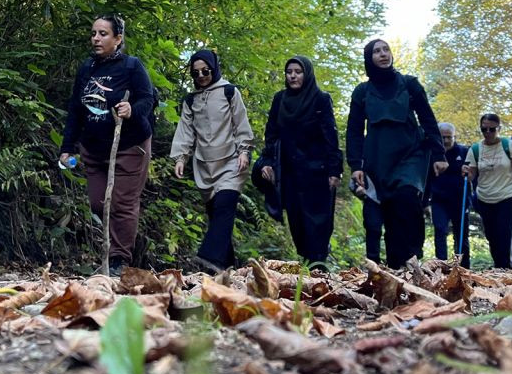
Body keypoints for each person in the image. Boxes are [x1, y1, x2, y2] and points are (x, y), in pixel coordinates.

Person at [59, 14, 155, 275]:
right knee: (99, 203)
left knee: (122, 203)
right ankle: (115, 252)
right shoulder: (87, 68)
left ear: (118, 39)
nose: (96, 38)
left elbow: (148, 99)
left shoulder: (131, 67)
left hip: (129, 146)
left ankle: (118, 262)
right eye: (94, 33)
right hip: (94, 148)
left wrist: (131, 109)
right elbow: (76, 111)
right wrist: (67, 147)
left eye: (103, 34)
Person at [345, 38, 446, 269]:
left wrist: (439, 154)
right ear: (369, 58)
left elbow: (428, 119)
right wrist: (356, 165)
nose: (383, 54)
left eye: (386, 50)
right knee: (389, 210)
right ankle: (396, 267)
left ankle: (413, 253)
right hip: (378, 158)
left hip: (411, 153)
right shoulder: (362, 92)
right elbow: (354, 131)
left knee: (407, 197)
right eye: (377, 51)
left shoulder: (409, 85)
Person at [171, 50, 255, 272]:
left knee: (223, 207)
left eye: (205, 71)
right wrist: (181, 157)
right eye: (196, 72)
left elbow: (241, 124)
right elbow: (186, 131)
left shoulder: (229, 92)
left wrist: (245, 151)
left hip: (231, 161)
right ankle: (227, 267)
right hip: (205, 165)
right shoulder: (191, 100)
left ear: (214, 68)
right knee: (214, 214)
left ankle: (207, 259)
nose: (201, 76)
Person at [255, 56, 342, 266]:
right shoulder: (280, 100)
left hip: (317, 173)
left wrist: (334, 170)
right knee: (297, 222)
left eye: (298, 71)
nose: (293, 76)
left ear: (307, 74)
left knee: (318, 224)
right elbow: (272, 134)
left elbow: (330, 136)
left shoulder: (320, 99)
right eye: (289, 72)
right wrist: (267, 161)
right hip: (290, 172)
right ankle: (308, 265)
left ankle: (318, 266)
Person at [464, 112, 512, 270]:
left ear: (498, 128)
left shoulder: (508, 146)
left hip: (509, 195)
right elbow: (471, 174)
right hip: (485, 198)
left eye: (492, 129)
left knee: (505, 233)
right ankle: (498, 267)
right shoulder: (475, 149)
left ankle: (507, 268)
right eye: (484, 129)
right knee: (492, 236)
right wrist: (466, 171)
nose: (488, 133)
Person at [426, 122, 471, 266]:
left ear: (454, 137)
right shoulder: (433, 153)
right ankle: (442, 265)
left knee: (461, 235)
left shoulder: (463, 152)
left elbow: (473, 176)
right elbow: (427, 178)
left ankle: (463, 267)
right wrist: (425, 202)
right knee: (440, 230)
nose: (446, 141)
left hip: (460, 200)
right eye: (443, 137)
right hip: (439, 200)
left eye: (449, 137)